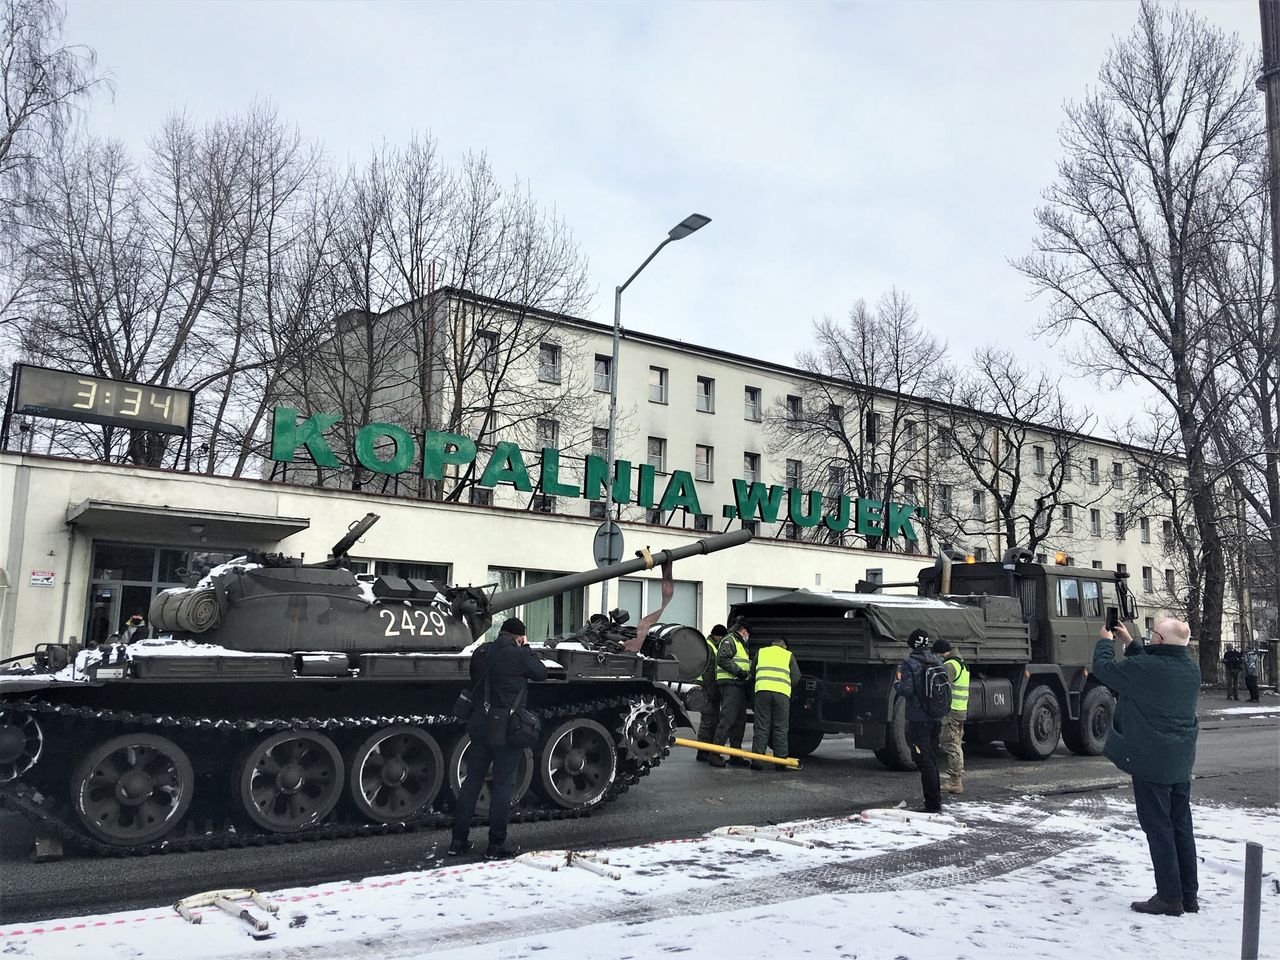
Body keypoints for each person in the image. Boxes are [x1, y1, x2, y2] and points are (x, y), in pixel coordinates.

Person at [1093, 617, 1200, 917]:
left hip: (1152, 761)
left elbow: (1105, 670)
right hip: (1180, 762)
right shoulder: (1190, 668)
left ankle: (1169, 897)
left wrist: (1105, 642)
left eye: (1153, 635)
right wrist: (1131, 643)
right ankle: (1188, 896)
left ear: (1161, 641)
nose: (1150, 638)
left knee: (1159, 828)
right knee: (1180, 826)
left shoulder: (1150, 669)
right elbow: (1153, 670)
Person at [449, 617, 547, 859]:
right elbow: (541, 673)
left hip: (480, 724)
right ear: (519, 637)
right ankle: (495, 845)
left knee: (471, 783)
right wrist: (526, 649)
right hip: (507, 728)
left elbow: (475, 678)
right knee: (503, 785)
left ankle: (458, 841)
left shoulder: (481, 652)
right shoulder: (519, 655)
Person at [894, 628, 943, 813]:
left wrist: (897, 683)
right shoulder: (936, 660)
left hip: (918, 718)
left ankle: (932, 805)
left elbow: (907, 690)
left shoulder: (909, 663)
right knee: (931, 758)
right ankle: (936, 800)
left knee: (923, 760)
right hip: (935, 717)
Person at [749, 637, 801, 770]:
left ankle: (757, 760)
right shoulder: (788, 655)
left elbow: (752, 672)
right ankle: (780, 762)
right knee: (780, 727)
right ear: (784, 647)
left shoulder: (761, 652)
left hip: (762, 692)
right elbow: (796, 677)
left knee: (761, 725)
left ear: (772, 644)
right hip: (781, 694)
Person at [709, 621, 752, 768]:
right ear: (743, 630)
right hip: (731, 684)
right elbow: (722, 659)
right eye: (748, 633)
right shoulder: (730, 640)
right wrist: (740, 673)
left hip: (738, 685)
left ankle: (736, 755)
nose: (749, 636)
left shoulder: (740, 644)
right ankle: (714, 754)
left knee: (740, 721)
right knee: (727, 719)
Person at [931, 638, 968, 794]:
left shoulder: (949, 666)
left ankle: (955, 782)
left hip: (951, 712)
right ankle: (955, 780)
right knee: (956, 744)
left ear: (941, 652)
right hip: (960, 711)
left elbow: (943, 689)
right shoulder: (960, 664)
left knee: (951, 745)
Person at [695, 624, 728, 762]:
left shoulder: (710, 645)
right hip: (706, 687)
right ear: (718, 635)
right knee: (707, 720)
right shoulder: (709, 646)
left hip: (706, 687)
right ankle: (702, 752)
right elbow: (709, 671)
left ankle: (706, 750)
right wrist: (713, 690)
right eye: (721, 636)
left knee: (711, 719)